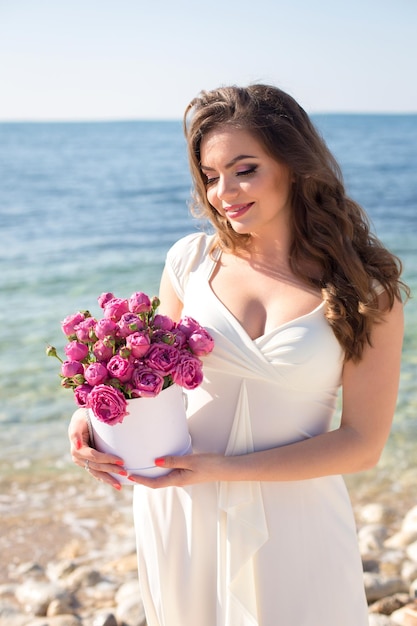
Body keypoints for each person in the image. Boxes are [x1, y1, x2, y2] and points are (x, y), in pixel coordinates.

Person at [68, 84, 408, 626]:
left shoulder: (366, 294)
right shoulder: (190, 261)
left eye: (244, 169)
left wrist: (225, 470)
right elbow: (145, 380)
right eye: (210, 175)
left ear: (294, 166)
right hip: (181, 507)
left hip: (296, 519)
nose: (223, 192)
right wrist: (91, 418)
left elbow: (362, 445)